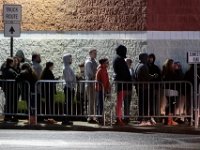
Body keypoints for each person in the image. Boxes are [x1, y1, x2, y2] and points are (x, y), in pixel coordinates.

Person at [134, 53, 156, 126]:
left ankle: (140, 118)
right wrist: (153, 76)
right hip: (144, 88)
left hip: (139, 87)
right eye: (146, 58)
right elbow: (147, 77)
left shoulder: (137, 65)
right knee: (144, 104)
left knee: (141, 103)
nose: (147, 59)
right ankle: (144, 119)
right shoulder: (143, 66)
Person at [113, 45, 132, 126]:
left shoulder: (118, 59)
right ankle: (118, 118)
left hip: (122, 84)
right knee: (120, 102)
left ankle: (119, 118)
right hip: (122, 84)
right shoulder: (119, 59)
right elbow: (124, 72)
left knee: (120, 102)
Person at [2, 57, 19, 122]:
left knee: (8, 103)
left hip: (7, 89)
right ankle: (14, 116)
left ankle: (7, 116)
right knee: (14, 103)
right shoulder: (11, 70)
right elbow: (17, 77)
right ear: (11, 63)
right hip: (13, 89)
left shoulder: (4, 69)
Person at [95, 58, 110, 125]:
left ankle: (100, 117)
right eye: (107, 62)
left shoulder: (104, 69)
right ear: (103, 63)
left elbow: (107, 80)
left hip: (103, 89)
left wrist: (108, 88)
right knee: (100, 104)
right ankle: (99, 117)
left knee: (101, 104)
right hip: (100, 89)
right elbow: (100, 80)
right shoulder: (100, 70)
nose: (108, 64)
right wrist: (103, 88)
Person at [62, 53, 76, 125]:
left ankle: (67, 118)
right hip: (69, 87)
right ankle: (66, 119)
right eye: (70, 58)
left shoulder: (67, 67)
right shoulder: (66, 68)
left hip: (69, 87)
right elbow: (69, 78)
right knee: (68, 103)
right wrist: (75, 79)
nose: (71, 60)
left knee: (68, 103)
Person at [84, 49, 98, 123]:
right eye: (94, 53)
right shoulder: (88, 62)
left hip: (93, 83)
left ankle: (93, 116)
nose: (95, 54)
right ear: (90, 54)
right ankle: (90, 117)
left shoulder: (94, 61)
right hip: (90, 83)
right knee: (91, 101)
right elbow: (91, 74)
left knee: (93, 100)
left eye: (96, 53)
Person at [147, 53, 161, 124]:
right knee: (148, 103)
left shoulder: (156, 68)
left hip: (154, 88)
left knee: (153, 103)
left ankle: (153, 117)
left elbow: (159, 77)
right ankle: (148, 117)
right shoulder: (145, 67)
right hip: (146, 88)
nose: (150, 59)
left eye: (152, 58)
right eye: (149, 58)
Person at [124, 58, 134, 124]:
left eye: (130, 62)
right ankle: (125, 117)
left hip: (130, 88)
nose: (129, 64)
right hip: (125, 88)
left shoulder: (131, 70)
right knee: (125, 103)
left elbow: (132, 77)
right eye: (128, 62)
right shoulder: (124, 70)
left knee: (128, 103)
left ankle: (127, 117)